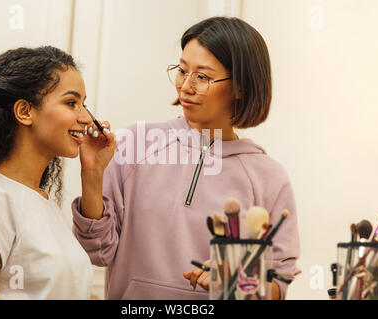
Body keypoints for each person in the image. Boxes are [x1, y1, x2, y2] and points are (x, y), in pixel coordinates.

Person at [73, 16, 301, 300]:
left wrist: (238, 283)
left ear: (240, 87)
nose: (186, 86)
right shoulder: (134, 144)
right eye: (182, 71)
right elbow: (97, 251)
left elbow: (278, 282)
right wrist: (91, 176)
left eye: (202, 77)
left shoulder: (269, 177)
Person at [0, 46, 99, 299]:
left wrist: (93, 171)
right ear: (25, 111)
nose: (87, 119)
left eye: (84, 104)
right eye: (72, 103)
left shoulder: (41, 201)